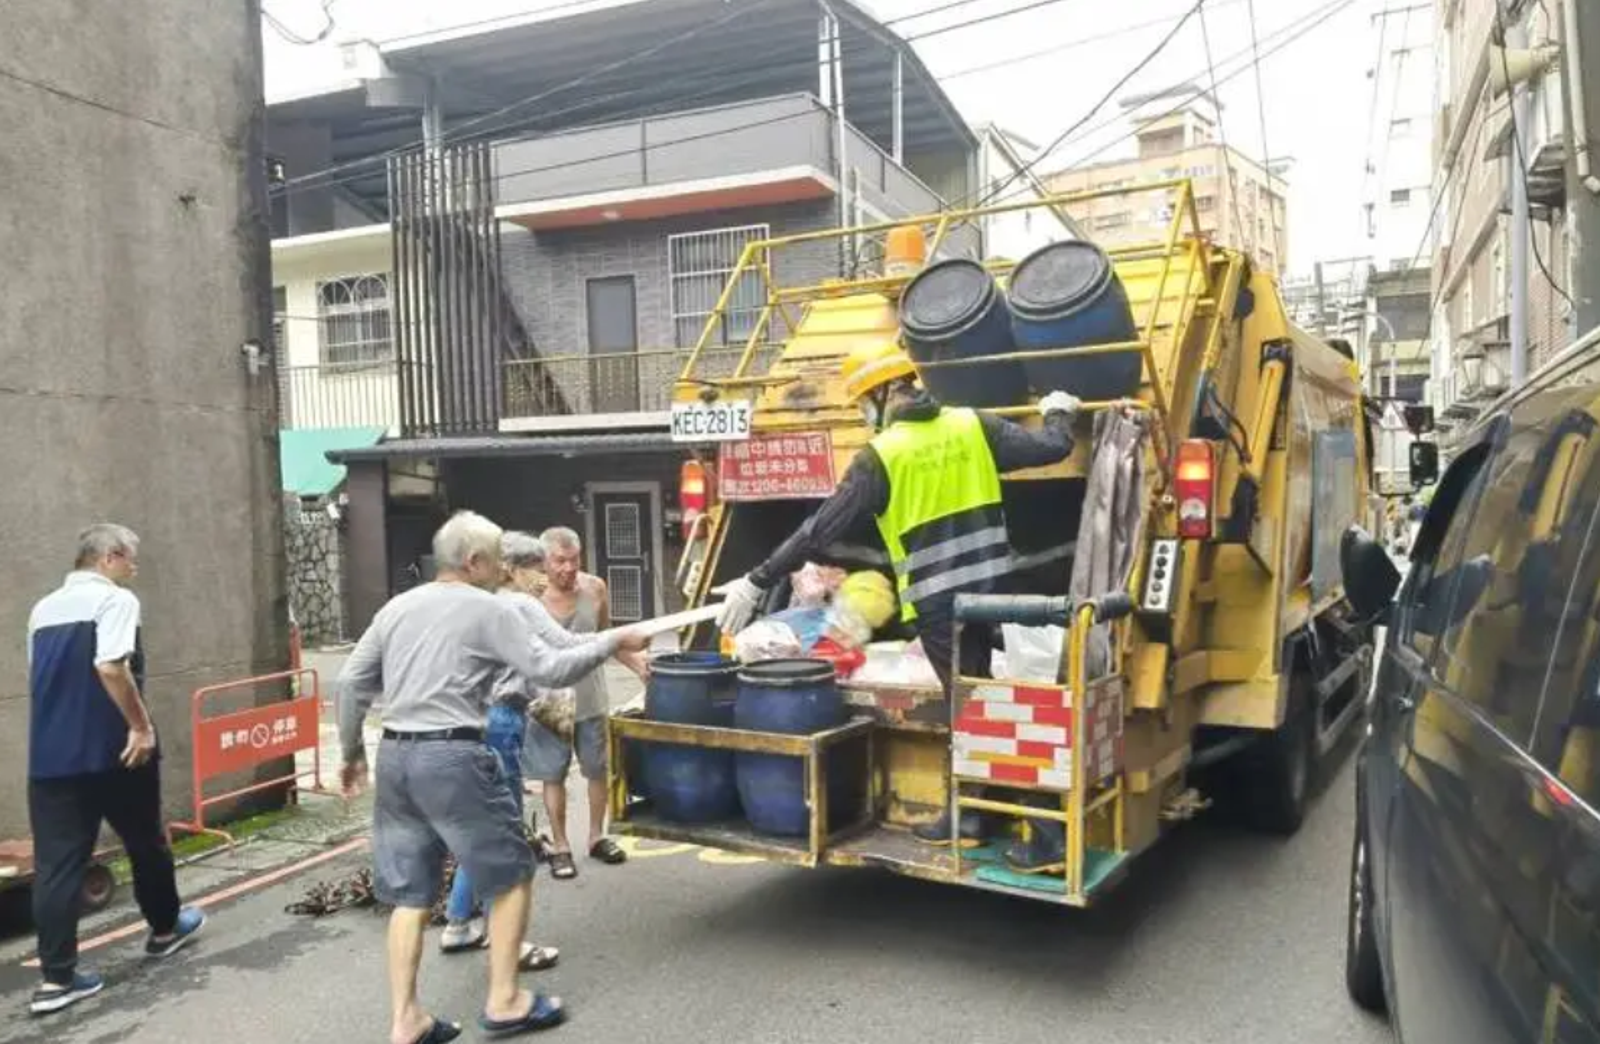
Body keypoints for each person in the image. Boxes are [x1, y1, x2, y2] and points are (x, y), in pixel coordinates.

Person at [715, 341, 1080, 846]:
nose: (866, 415)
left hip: (939, 607)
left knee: (977, 708)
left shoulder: (881, 457)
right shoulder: (973, 425)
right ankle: (971, 817)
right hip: (995, 595)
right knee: (982, 699)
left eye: (865, 403)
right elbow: (1053, 449)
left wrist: (759, 578)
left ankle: (1046, 835)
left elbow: (818, 530)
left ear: (885, 394)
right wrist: (1059, 413)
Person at [338, 511, 649, 1043]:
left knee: (411, 896)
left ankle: (406, 1019)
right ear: (474, 561)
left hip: (395, 756)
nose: (501, 569)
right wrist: (612, 643)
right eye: (496, 559)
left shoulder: (396, 607)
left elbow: (349, 683)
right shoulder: (488, 609)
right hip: (455, 755)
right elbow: (550, 669)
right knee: (511, 874)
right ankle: (505, 1000)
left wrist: (350, 752)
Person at [25, 524, 206, 1016]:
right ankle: (165, 930)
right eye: (131, 559)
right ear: (110, 556)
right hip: (116, 752)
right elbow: (110, 666)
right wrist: (142, 727)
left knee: (57, 867)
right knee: (146, 841)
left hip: (50, 757)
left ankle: (56, 980)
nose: (134, 568)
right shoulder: (116, 601)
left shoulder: (42, 610)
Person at [439, 532, 563, 970]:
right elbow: (563, 648)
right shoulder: (518, 605)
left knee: (478, 825)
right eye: (536, 570)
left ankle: (458, 923)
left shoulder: (474, 607)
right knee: (505, 833)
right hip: (502, 722)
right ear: (511, 569)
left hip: (473, 722)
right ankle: (504, 936)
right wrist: (621, 640)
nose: (543, 581)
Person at [526, 526, 648, 880]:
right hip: (549, 701)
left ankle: (597, 837)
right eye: (559, 561)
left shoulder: (595, 588)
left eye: (573, 560)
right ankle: (561, 846)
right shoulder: (530, 599)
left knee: (598, 770)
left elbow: (607, 638)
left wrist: (637, 663)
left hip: (592, 697)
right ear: (544, 562)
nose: (567, 568)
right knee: (553, 775)